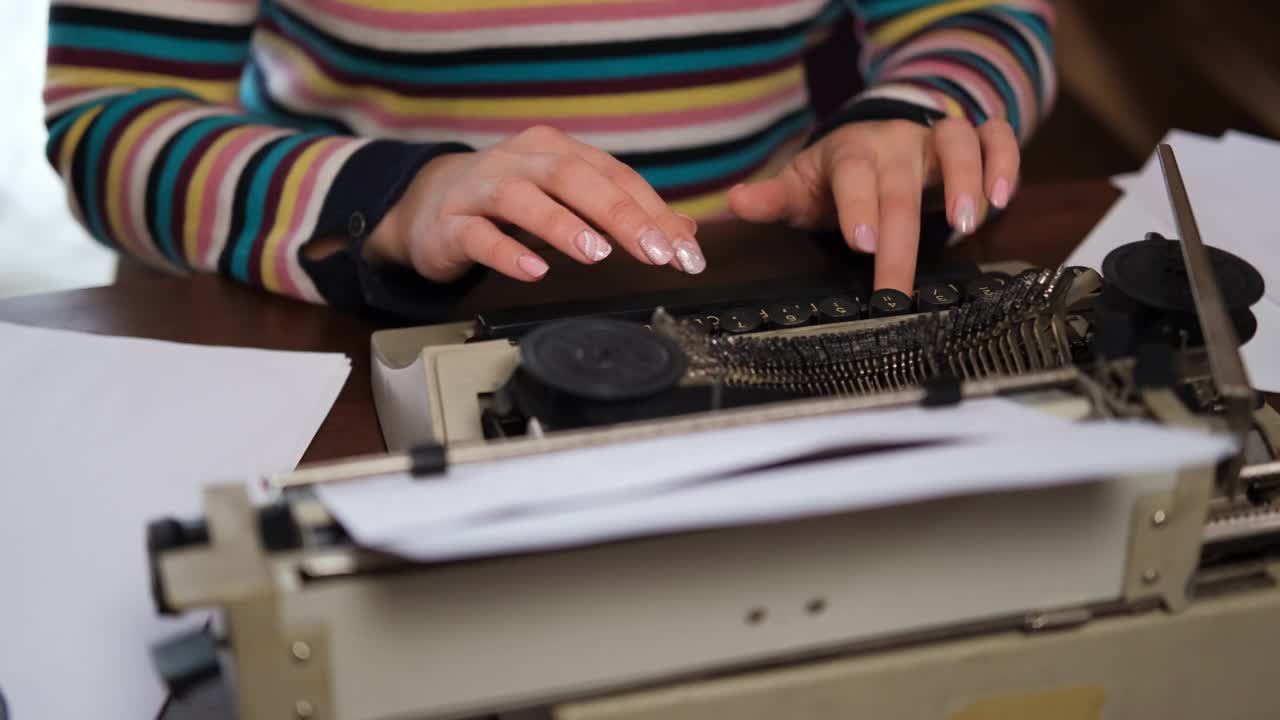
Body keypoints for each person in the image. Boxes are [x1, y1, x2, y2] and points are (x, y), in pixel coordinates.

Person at [44, 0, 1055, 321]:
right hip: (343, 321)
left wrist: (912, 120)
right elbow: (109, 121)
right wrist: (390, 201)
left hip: (747, 298)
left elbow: (977, 18)